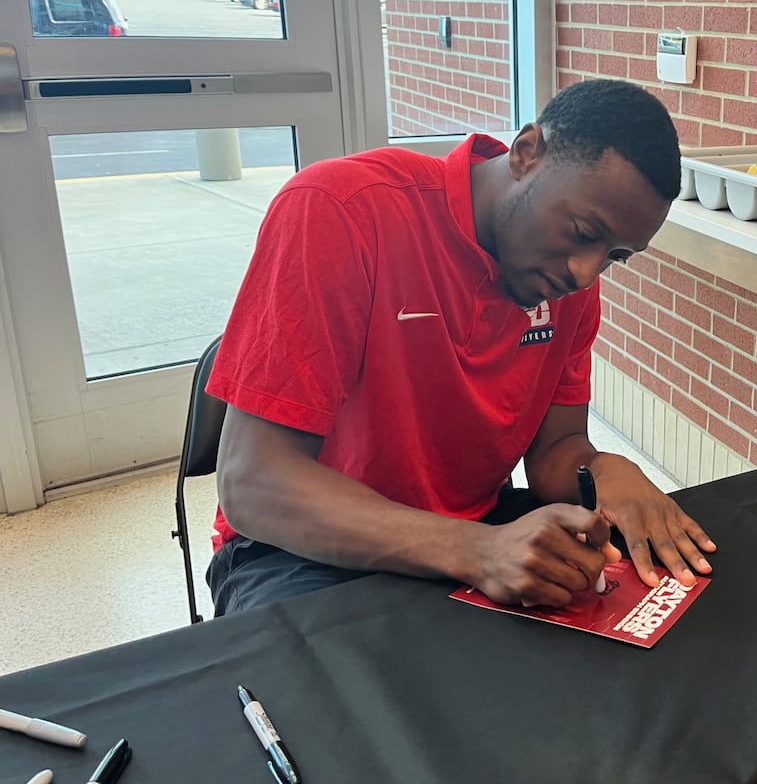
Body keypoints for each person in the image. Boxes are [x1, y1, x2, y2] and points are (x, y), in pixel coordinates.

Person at [205, 78, 715, 615]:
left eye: (614, 255)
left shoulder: (564, 283)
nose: (585, 273)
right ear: (526, 154)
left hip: (476, 526)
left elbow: (554, 455)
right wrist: (478, 551)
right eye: (583, 231)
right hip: (300, 550)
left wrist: (599, 467)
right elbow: (252, 484)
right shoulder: (342, 209)